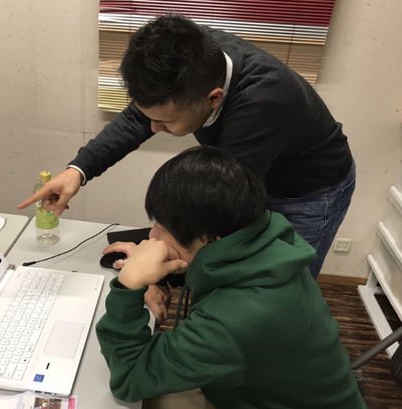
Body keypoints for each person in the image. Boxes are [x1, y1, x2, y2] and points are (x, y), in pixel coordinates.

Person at [18, 14, 355, 280]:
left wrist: (151, 264)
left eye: (166, 122)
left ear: (213, 99)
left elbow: (218, 206)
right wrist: (78, 171)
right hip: (251, 171)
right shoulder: (193, 56)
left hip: (309, 189)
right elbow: (137, 119)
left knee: (279, 286)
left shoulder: (264, 101)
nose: (154, 128)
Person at [95, 146, 365, 409]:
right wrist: (156, 271)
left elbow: (129, 377)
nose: (152, 235)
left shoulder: (229, 323)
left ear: (210, 238)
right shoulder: (267, 236)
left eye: (163, 227)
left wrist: (129, 285)